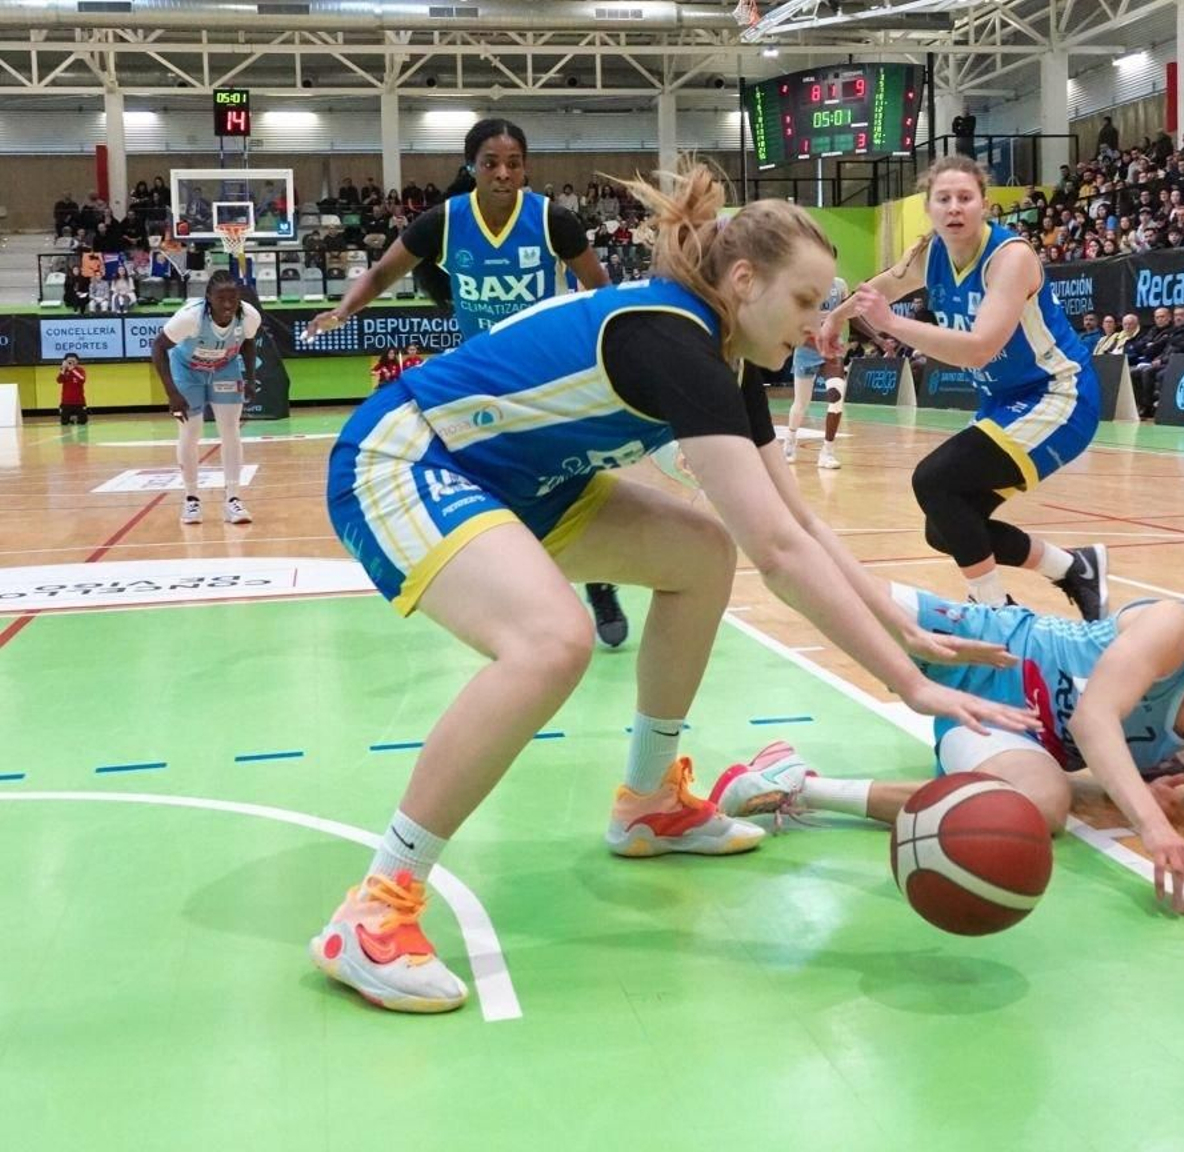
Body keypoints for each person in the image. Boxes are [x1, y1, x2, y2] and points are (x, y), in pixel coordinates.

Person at [310, 163, 1040, 1013]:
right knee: (553, 641)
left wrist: (902, 630)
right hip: (405, 459)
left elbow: (797, 524)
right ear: (743, 281)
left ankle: (649, 802)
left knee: (699, 552)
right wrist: (907, 685)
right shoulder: (673, 339)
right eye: (805, 303)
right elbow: (778, 550)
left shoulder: (728, 357)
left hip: (524, 481)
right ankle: (375, 906)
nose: (815, 328)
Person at [712, 570, 1184, 916]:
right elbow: (1095, 719)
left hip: (1005, 725)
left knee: (1040, 807)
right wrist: (1153, 826)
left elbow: (1114, 753)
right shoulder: (1179, 627)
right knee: (807, 574)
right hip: (988, 644)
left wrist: (1133, 785)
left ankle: (797, 783)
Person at [302, 118, 630, 650]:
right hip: (484, 376)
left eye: (514, 163)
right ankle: (523, 590)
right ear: (471, 167)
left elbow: (601, 293)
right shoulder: (445, 221)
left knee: (576, 473)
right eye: (491, 163)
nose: (503, 173)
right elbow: (383, 273)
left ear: (526, 167)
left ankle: (601, 582)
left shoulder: (551, 220)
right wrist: (343, 310)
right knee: (500, 483)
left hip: (551, 372)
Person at [819, 156, 1108, 618]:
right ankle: (1074, 567)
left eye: (965, 198)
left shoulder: (1010, 257)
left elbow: (978, 349)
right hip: (1005, 400)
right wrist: (837, 316)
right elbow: (884, 286)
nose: (955, 208)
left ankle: (994, 609)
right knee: (946, 526)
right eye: (944, 199)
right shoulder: (929, 254)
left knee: (933, 480)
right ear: (929, 207)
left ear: (984, 205)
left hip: (1058, 396)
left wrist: (891, 324)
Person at [150, 271, 259, 527]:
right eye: (221, 298)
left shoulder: (249, 316)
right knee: (191, 431)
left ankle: (233, 499)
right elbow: (158, 347)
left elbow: (249, 343)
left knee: (230, 431)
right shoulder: (190, 318)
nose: (228, 304)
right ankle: (191, 499)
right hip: (187, 371)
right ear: (209, 297)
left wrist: (251, 377)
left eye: (233, 298)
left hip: (225, 367)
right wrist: (172, 393)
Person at [778, 273, 850, 469]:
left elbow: (849, 314)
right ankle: (790, 441)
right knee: (801, 403)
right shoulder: (804, 287)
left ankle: (827, 451)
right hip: (807, 348)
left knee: (837, 396)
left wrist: (877, 338)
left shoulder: (840, 285)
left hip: (832, 349)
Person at [57, 354, 88, 426]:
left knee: (83, 422)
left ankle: (76, 419)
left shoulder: (80, 370)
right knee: (64, 423)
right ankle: (70, 419)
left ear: (77, 361)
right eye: (69, 361)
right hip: (66, 402)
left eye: (73, 361)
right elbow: (59, 381)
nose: (71, 363)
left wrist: (72, 370)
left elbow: (82, 379)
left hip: (79, 401)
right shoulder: (64, 370)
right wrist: (63, 370)